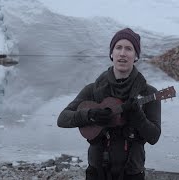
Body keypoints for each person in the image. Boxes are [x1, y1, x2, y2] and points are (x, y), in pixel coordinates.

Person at [57, 27, 161, 180]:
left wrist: (138, 118)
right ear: (112, 53)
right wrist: (90, 115)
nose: (122, 53)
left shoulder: (149, 93)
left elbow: (154, 137)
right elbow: (63, 119)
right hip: (97, 173)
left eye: (129, 49)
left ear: (136, 56)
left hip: (132, 174)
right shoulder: (93, 89)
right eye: (118, 47)